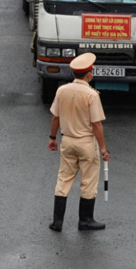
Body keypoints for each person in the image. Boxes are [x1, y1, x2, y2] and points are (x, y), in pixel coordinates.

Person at [47, 53, 110, 231]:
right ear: (89, 74)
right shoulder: (91, 95)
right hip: (86, 143)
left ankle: (57, 221)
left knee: (64, 178)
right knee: (88, 181)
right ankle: (85, 220)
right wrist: (103, 148)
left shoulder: (61, 90)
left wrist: (52, 138)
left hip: (67, 140)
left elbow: (55, 118)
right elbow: (96, 125)